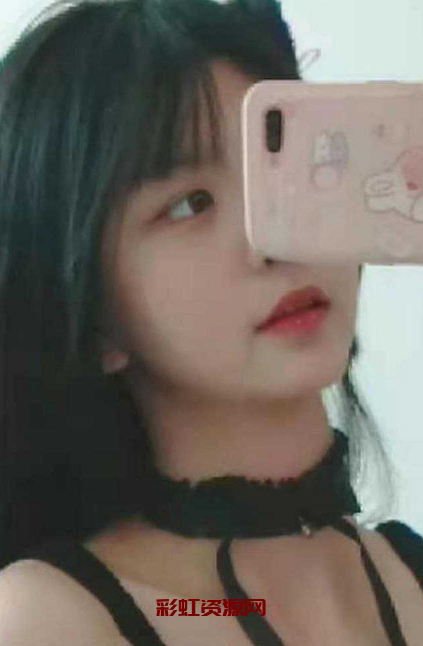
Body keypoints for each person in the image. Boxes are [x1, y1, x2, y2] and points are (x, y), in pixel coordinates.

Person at [0, 0, 421, 644]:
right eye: (189, 204)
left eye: (286, 165)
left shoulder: (408, 574)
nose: (272, 241)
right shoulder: (57, 619)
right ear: (92, 317)